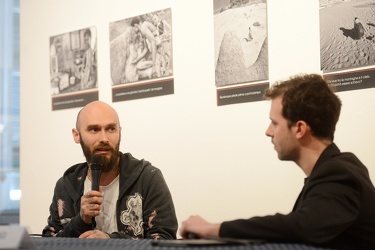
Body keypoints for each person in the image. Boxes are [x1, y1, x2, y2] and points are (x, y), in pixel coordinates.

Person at [179, 74, 375, 249]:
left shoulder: (339, 173)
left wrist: (213, 229)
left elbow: (302, 226)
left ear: (299, 129)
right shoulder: (333, 170)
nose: (268, 131)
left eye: (275, 123)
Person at [42, 101, 178, 239]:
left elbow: (164, 241)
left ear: (120, 132)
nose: (104, 138)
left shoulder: (147, 178)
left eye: (111, 129)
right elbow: (49, 243)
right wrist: (80, 220)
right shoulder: (66, 185)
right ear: (76, 135)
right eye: (94, 129)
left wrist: (111, 242)